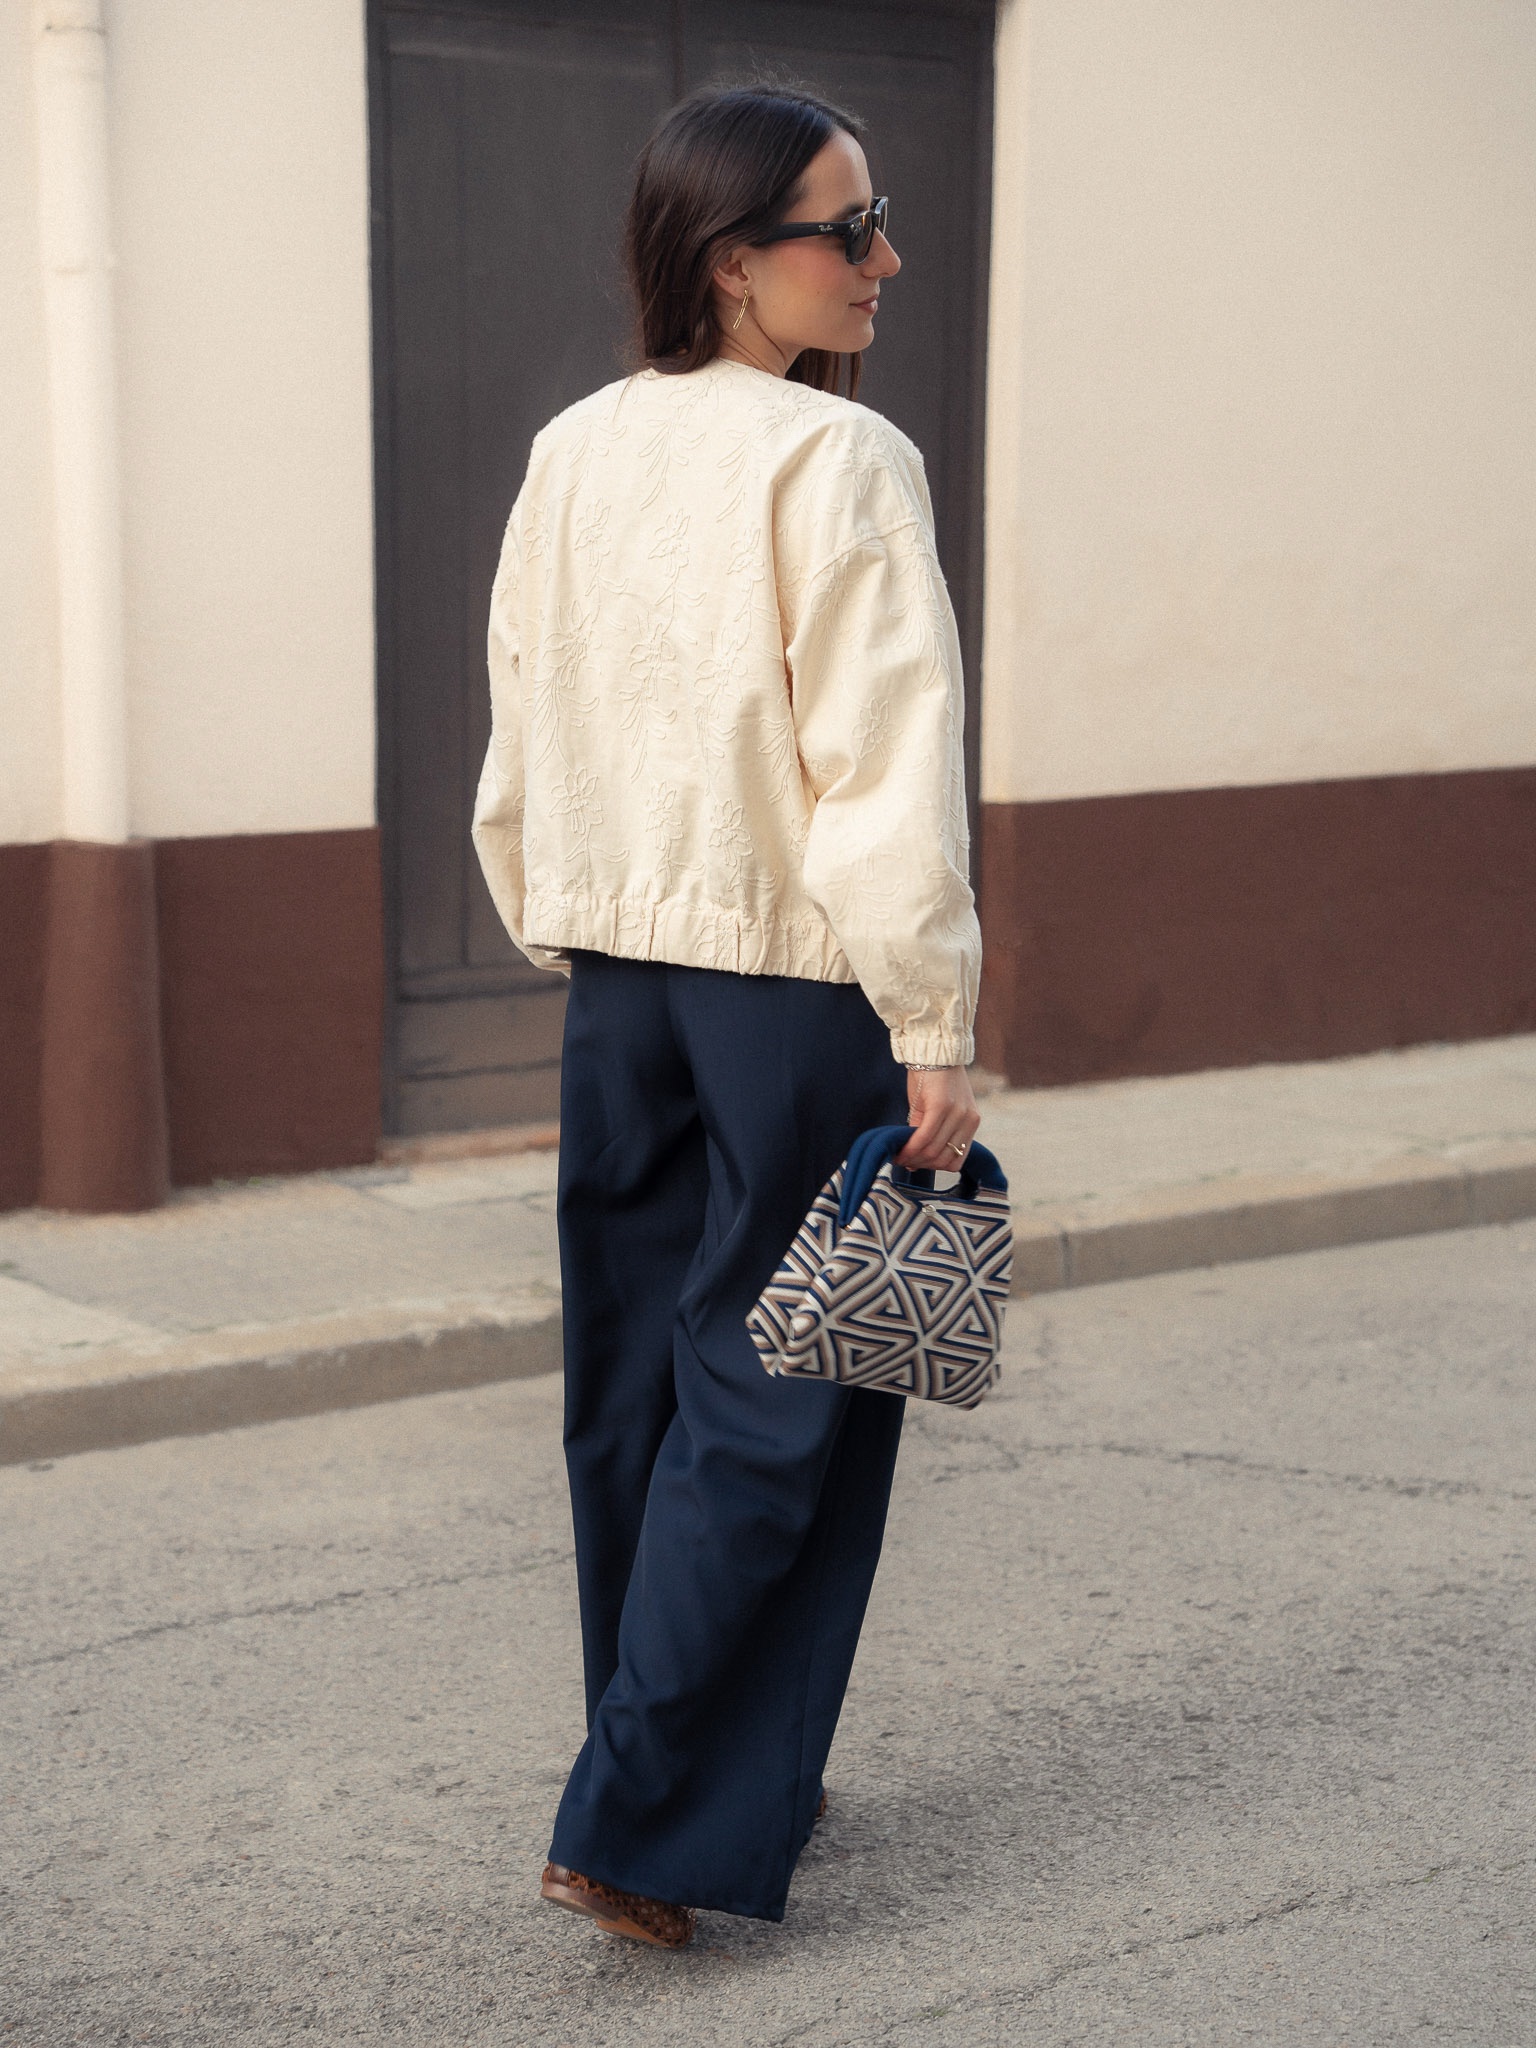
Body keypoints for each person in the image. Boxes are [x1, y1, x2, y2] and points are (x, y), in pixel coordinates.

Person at [472, 81, 982, 1947]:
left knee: (636, 1388)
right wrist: (931, 1014)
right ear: (728, 262)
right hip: (795, 983)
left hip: (624, 987)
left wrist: (569, 912)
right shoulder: (842, 460)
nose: (884, 260)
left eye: (878, 221)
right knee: (790, 1403)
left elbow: (522, 714)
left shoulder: (574, 447)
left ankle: (693, 1777)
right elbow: (882, 760)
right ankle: (638, 1817)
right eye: (847, 232)